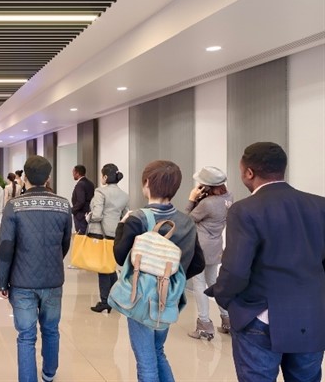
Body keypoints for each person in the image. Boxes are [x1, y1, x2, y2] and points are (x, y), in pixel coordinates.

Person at [206, 142, 325, 381]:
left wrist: (225, 298)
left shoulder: (244, 210)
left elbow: (235, 270)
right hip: (312, 316)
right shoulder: (320, 205)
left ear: (249, 172)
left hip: (261, 318)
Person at [113, 160, 205, 381]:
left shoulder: (137, 218)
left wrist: (121, 225)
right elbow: (198, 263)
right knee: (158, 351)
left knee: (146, 363)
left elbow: (119, 256)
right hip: (168, 299)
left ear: (146, 183)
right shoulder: (186, 221)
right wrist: (172, 281)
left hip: (141, 298)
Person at [0, 155, 73, 382]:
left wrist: (2, 280)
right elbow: (65, 243)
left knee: (26, 336)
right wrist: (53, 261)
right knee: (51, 329)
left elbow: (6, 247)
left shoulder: (14, 206)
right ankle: (49, 373)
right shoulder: (63, 204)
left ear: (25, 178)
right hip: (53, 280)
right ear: (48, 177)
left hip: (22, 281)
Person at [184, 166, 233, 340]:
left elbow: (186, 220)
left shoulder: (207, 204)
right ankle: (228, 320)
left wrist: (191, 199)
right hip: (216, 247)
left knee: (199, 284)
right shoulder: (228, 197)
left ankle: (204, 324)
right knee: (213, 282)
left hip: (201, 248)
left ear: (206, 185)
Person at [87, 163, 129, 314]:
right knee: (110, 267)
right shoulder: (124, 195)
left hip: (101, 234)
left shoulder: (100, 191)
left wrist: (89, 217)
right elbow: (125, 215)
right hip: (115, 234)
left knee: (103, 268)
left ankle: (105, 301)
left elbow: (97, 215)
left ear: (105, 177)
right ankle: (114, 298)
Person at [71, 165, 95, 234]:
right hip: (88, 214)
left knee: (80, 237)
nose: (72, 174)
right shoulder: (90, 183)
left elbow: (81, 201)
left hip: (80, 216)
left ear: (77, 173)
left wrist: (72, 210)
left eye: (73, 172)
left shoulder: (80, 184)